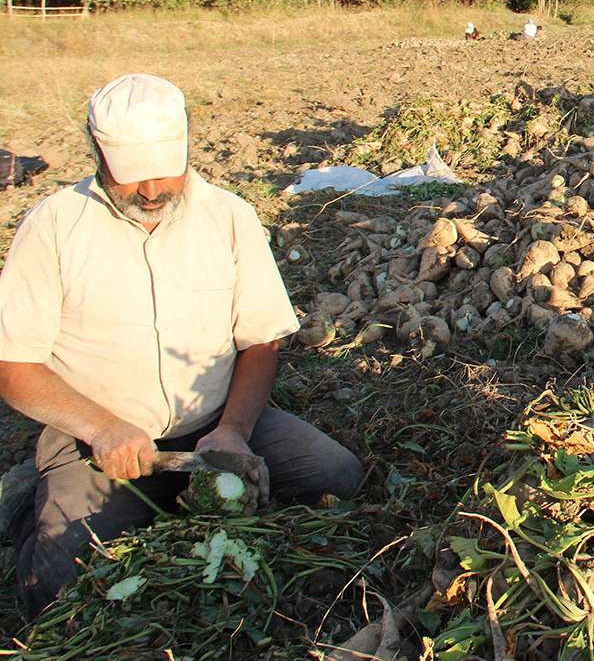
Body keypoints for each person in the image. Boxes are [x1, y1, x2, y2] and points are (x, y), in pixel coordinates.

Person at [0, 74, 363, 616]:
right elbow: (14, 365)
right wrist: (103, 427)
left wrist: (235, 430)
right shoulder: (53, 226)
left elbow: (261, 340)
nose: (151, 193)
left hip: (217, 425)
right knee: (55, 592)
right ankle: (31, 497)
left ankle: (181, 490)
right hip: (96, 442)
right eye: (131, 179)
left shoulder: (228, 216)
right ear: (95, 152)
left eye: (163, 173)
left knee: (338, 477)